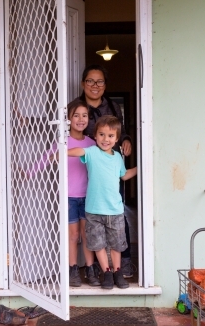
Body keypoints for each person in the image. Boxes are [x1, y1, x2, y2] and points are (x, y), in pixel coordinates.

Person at [26, 99, 99, 287]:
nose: (81, 119)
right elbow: (47, 158)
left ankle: (91, 270)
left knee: (87, 235)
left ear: (89, 119)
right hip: (68, 197)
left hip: (89, 197)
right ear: (68, 119)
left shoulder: (92, 143)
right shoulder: (63, 141)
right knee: (73, 236)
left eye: (84, 115)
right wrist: (29, 173)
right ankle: (73, 269)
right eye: (76, 115)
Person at [73, 64, 135, 279]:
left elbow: (122, 130)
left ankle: (123, 262)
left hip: (109, 164)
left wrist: (125, 141)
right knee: (91, 218)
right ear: (83, 84)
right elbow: (59, 125)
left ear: (105, 85)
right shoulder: (77, 106)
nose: (95, 85)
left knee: (116, 212)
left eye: (100, 81)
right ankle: (97, 267)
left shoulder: (112, 106)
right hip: (86, 163)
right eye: (90, 81)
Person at [68, 115, 137, 289]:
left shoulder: (117, 158)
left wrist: (140, 167)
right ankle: (106, 272)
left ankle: (117, 272)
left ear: (116, 139)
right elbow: (78, 151)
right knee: (98, 243)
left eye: (110, 136)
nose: (105, 139)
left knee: (116, 243)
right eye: (101, 134)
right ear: (95, 136)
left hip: (115, 210)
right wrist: (62, 152)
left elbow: (124, 175)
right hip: (93, 210)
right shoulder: (92, 152)